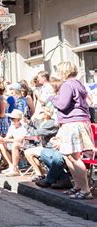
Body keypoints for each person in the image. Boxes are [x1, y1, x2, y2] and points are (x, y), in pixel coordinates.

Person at [48, 62, 94, 200]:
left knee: (74, 156)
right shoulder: (78, 83)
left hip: (73, 122)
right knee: (68, 156)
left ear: (63, 71)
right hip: (78, 121)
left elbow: (62, 104)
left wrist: (51, 97)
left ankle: (85, 190)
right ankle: (78, 186)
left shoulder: (67, 85)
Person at [23, 107, 59, 182]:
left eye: (41, 112)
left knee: (29, 152)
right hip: (44, 147)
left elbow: (38, 133)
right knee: (28, 152)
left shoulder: (51, 123)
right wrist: (28, 122)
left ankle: (40, 174)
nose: (39, 114)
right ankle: (40, 173)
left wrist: (28, 129)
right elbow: (33, 124)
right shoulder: (43, 121)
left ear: (45, 114)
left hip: (50, 147)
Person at [0, 109, 27, 177]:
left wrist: (6, 140)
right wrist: (2, 139)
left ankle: (15, 170)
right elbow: (7, 137)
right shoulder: (12, 126)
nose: (11, 120)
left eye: (13, 118)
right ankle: (11, 166)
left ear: (18, 119)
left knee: (15, 145)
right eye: (10, 118)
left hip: (24, 145)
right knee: (1, 143)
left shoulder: (24, 127)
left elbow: (20, 139)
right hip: (15, 143)